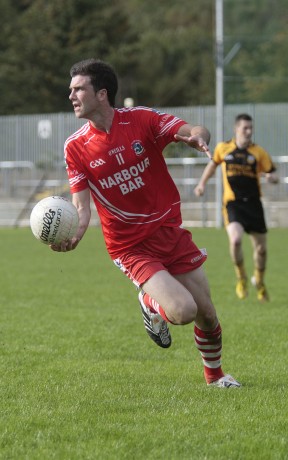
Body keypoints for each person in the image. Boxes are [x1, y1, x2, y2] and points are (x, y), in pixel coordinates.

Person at [51, 58, 240, 388]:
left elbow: (192, 129)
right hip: (130, 246)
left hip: (169, 231)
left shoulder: (142, 120)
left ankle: (216, 378)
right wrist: (75, 234)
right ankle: (148, 303)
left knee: (207, 314)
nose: (72, 96)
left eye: (78, 88)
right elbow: (82, 207)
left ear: (102, 94)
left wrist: (197, 137)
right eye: (71, 90)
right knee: (182, 311)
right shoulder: (76, 147)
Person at [194, 113, 278, 302]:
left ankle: (260, 282)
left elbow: (273, 174)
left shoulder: (258, 152)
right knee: (236, 240)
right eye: (245, 128)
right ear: (236, 129)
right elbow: (212, 165)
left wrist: (272, 178)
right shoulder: (223, 148)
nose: (248, 132)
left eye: (250, 128)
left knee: (262, 250)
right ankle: (241, 278)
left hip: (254, 204)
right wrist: (201, 184)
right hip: (233, 204)